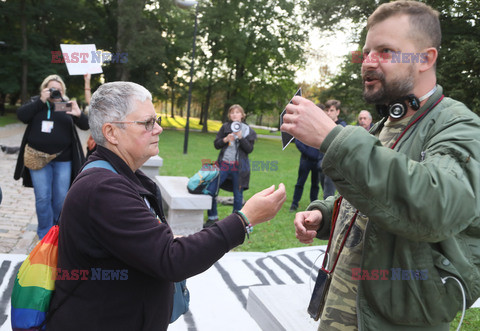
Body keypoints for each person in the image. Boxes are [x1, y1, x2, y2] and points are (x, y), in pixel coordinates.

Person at [281, 1, 480, 330]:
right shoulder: (385, 124)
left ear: (425, 59)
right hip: (343, 312)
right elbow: (376, 196)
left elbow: (436, 206)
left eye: (385, 51)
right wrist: (326, 214)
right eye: (366, 51)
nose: (367, 63)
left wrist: (333, 139)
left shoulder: (460, 126)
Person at [47, 81, 285, 330]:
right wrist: (244, 219)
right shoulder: (103, 189)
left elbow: (141, 245)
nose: (159, 129)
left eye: (156, 120)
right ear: (111, 132)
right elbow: (171, 259)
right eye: (147, 123)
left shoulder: (119, 176)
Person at [14, 74, 89, 239]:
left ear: (63, 91)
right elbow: (22, 116)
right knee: (42, 197)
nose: (56, 92)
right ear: (44, 89)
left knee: (61, 198)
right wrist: (41, 100)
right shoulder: (37, 103)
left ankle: (58, 232)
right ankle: (44, 235)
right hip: (38, 160)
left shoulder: (65, 106)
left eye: (59, 89)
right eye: (52, 89)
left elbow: (85, 125)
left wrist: (78, 114)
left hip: (63, 159)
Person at [204, 104, 257, 227]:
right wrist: (225, 140)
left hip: (239, 168)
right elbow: (216, 144)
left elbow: (249, 149)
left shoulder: (248, 130)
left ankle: (236, 223)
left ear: (242, 115)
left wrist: (241, 137)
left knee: (238, 196)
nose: (234, 114)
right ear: (229, 115)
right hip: (224, 165)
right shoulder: (225, 127)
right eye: (232, 112)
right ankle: (212, 218)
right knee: (211, 190)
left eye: (237, 112)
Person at [320, 99, 346, 199]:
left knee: (328, 195)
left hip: (333, 165)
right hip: (322, 164)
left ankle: (328, 213)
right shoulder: (323, 126)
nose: (328, 113)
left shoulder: (342, 127)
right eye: (327, 110)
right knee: (325, 192)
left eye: (331, 110)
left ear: (337, 112)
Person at [289, 136, 322, 213]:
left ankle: (314, 204)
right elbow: (298, 141)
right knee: (300, 182)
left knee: (315, 184)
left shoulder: (319, 128)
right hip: (305, 160)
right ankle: (294, 204)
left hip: (317, 161)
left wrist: (318, 157)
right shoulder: (306, 126)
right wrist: (308, 153)